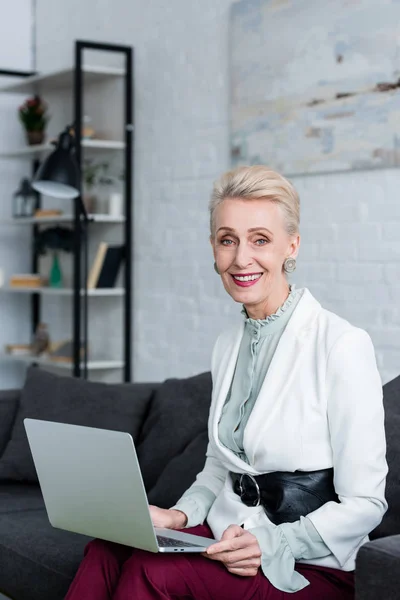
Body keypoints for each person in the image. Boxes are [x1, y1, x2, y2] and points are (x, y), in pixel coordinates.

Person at [65, 165, 387, 600]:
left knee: (152, 572)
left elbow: (366, 504)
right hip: (229, 534)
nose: (240, 259)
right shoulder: (227, 343)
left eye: (260, 240)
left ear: (291, 245)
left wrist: (275, 543)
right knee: (106, 548)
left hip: (309, 562)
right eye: (227, 239)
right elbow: (220, 466)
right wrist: (179, 517)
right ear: (214, 247)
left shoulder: (343, 345)